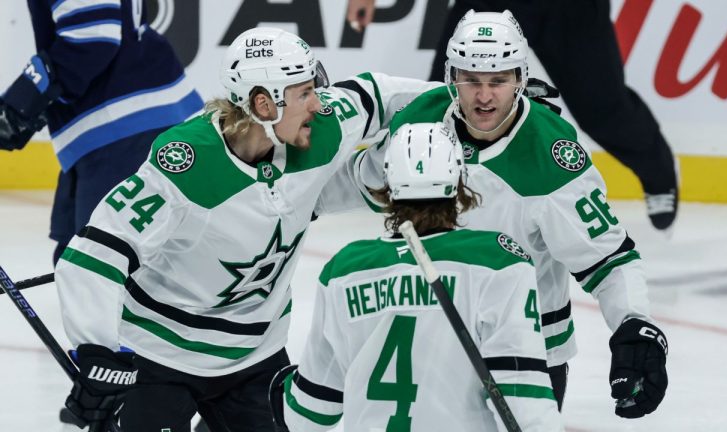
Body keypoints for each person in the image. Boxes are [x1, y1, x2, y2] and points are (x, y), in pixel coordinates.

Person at [53, 26, 436, 431]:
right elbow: (95, 254)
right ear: (264, 105)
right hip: (159, 355)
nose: (317, 104)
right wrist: (96, 350)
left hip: (256, 357)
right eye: (304, 93)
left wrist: (460, 98)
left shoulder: (322, 127)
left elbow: (378, 94)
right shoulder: (187, 165)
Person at [344, 10, 670, 418]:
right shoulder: (422, 122)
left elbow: (609, 260)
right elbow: (359, 183)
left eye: (498, 80)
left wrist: (633, 326)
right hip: (429, 343)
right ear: (452, 77)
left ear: (519, 78)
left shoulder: (551, 158)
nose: (484, 97)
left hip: (525, 354)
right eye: (472, 80)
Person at [273, 122, 564, 432]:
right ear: (460, 180)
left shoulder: (344, 269)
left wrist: (285, 387)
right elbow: (523, 392)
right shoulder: (497, 261)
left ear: (387, 186)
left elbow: (309, 414)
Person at [346, 0, 679, 231]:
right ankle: (432, 208)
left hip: (571, 8)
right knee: (449, 98)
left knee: (602, 107)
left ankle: (659, 175)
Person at [0, 0, 204, 264]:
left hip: (126, 131)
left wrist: (21, 104)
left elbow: (93, 34)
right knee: (78, 262)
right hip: (125, 127)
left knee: (102, 268)